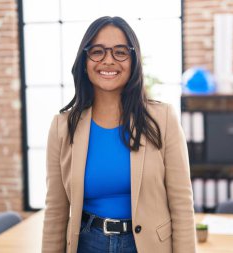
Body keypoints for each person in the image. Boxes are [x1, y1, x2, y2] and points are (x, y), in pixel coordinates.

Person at [41, 16, 196, 253]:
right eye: (97, 51)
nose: (109, 60)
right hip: (88, 244)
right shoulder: (62, 127)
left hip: (149, 246)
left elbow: (182, 206)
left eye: (120, 52)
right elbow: (55, 211)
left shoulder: (162, 119)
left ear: (133, 61)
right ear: (85, 60)